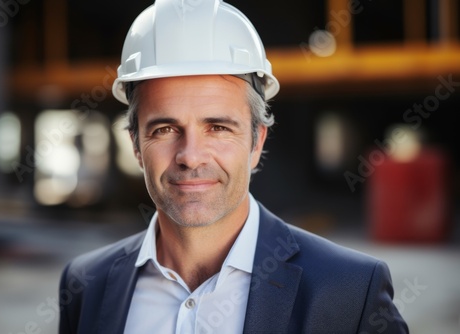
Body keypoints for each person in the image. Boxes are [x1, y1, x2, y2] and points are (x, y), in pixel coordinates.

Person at [58, 0, 409, 333]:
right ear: (136, 144)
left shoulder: (351, 291)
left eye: (218, 127)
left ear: (256, 141)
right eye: (165, 129)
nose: (191, 156)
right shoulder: (85, 285)